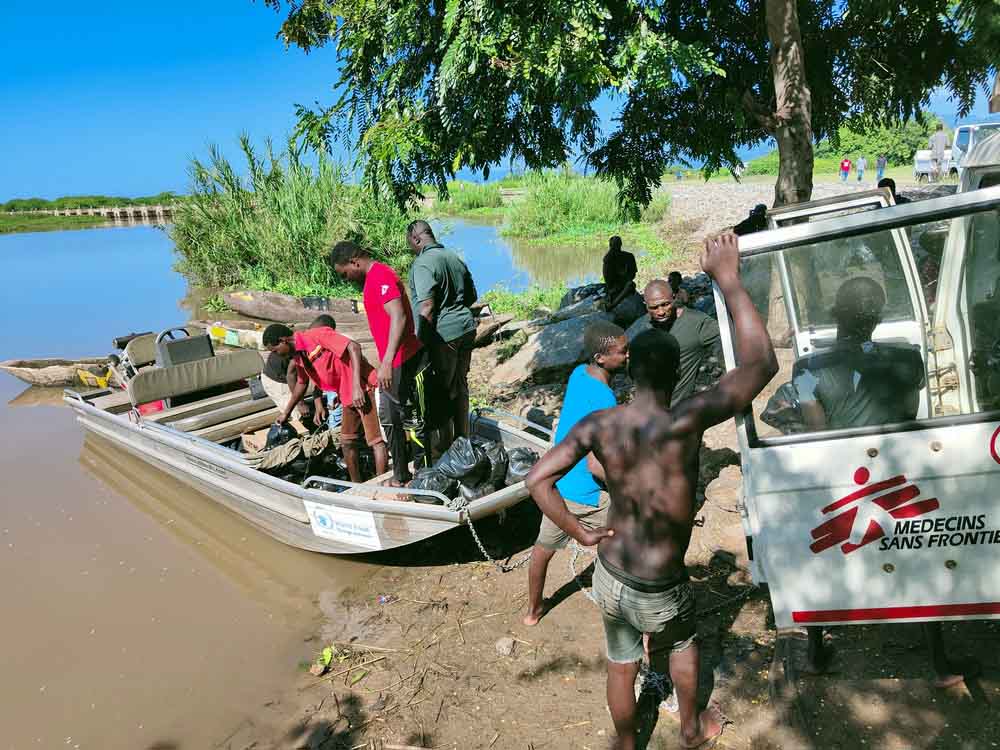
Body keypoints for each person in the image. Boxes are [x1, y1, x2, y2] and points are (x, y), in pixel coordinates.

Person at [526, 232, 778, 750]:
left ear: (633, 372)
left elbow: (536, 480)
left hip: (610, 574)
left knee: (621, 664)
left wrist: (579, 532)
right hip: (659, 585)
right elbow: (761, 365)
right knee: (681, 643)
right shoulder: (684, 422)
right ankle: (689, 727)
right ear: (674, 375)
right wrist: (727, 279)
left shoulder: (602, 423)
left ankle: (624, 743)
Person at [792, 278, 974, 684]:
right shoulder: (907, 360)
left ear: (835, 314)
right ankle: (940, 664)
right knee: (917, 555)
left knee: (823, 554)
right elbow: (908, 413)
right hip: (897, 473)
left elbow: (814, 427)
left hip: (840, 476)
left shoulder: (807, 368)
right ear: (876, 319)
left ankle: (815, 651)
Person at [522, 320, 629, 628]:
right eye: (622, 352)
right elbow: (597, 465)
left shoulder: (577, 374)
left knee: (543, 549)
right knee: (622, 541)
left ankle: (532, 610)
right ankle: (623, 612)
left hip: (556, 487)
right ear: (601, 358)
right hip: (588, 495)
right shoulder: (606, 400)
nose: (627, 356)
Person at [329, 241, 431, 486]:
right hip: (393, 364)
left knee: (413, 419)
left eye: (345, 274)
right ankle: (400, 474)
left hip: (406, 361)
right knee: (389, 419)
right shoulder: (370, 281)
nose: (346, 279)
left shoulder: (381, 275)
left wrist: (385, 362)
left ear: (354, 261)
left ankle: (424, 476)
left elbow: (399, 315)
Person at [263, 323, 389, 483]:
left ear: (283, 341)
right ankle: (357, 486)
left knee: (376, 441)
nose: (276, 355)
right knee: (347, 442)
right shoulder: (298, 356)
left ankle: (381, 485)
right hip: (347, 394)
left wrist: (357, 385)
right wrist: (286, 413)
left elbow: (354, 347)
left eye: (275, 350)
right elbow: (302, 383)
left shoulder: (316, 335)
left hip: (364, 388)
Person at [405, 219, 478, 447]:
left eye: (411, 244)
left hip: (444, 336)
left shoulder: (423, 264)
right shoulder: (453, 257)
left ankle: (447, 450)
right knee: (461, 385)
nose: (411, 248)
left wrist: (420, 345)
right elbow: (472, 296)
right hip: (466, 329)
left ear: (416, 239)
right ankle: (463, 440)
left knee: (441, 392)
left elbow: (426, 307)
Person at [638, 279, 722, 405]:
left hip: (679, 409)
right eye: (654, 308)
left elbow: (730, 340)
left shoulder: (696, 323)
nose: (661, 312)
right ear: (645, 304)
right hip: (649, 408)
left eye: (665, 304)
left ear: (674, 298)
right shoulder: (641, 326)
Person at [603, 236, 639, 311]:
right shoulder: (608, 259)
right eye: (613, 245)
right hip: (613, 286)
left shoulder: (629, 257)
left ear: (620, 245)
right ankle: (611, 300)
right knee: (613, 290)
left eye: (617, 245)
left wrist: (625, 276)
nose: (615, 247)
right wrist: (613, 287)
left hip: (625, 283)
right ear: (610, 246)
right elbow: (607, 278)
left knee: (630, 284)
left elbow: (633, 275)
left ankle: (613, 305)